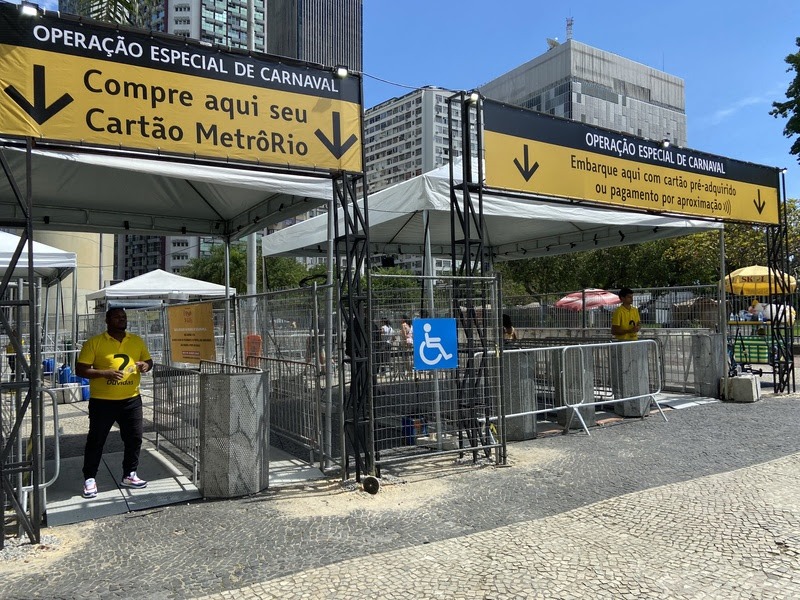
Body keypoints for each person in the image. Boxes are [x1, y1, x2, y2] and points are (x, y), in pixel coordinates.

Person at [77, 308, 153, 499]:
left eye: (124, 317)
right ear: (107, 320)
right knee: (96, 440)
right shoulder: (94, 343)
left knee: (134, 438)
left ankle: (129, 474)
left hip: (131, 399)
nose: (122, 319)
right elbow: (80, 369)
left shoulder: (136, 340)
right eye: (118, 317)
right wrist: (104, 373)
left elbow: (148, 360)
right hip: (103, 402)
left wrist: (146, 365)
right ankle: (90, 479)